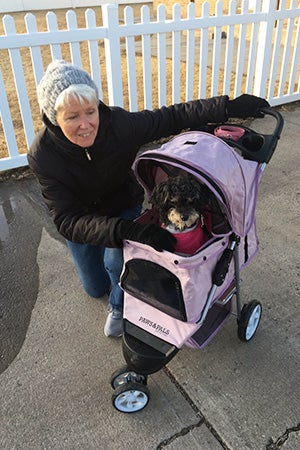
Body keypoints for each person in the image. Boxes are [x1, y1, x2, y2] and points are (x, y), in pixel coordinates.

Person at [28, 60, 269, 338]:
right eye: (72, 117)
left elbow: (171, 116)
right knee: (94, 287)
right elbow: (67, 220)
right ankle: (109, 270)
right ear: (54, 118)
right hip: (82, 219)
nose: (85, 125)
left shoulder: (118, 124)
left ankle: (120, 307)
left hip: (122, 205)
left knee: (120, 260)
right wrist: (127, 231)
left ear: (98, 107)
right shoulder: (43, 155)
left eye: (90, 111)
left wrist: (227, 107)